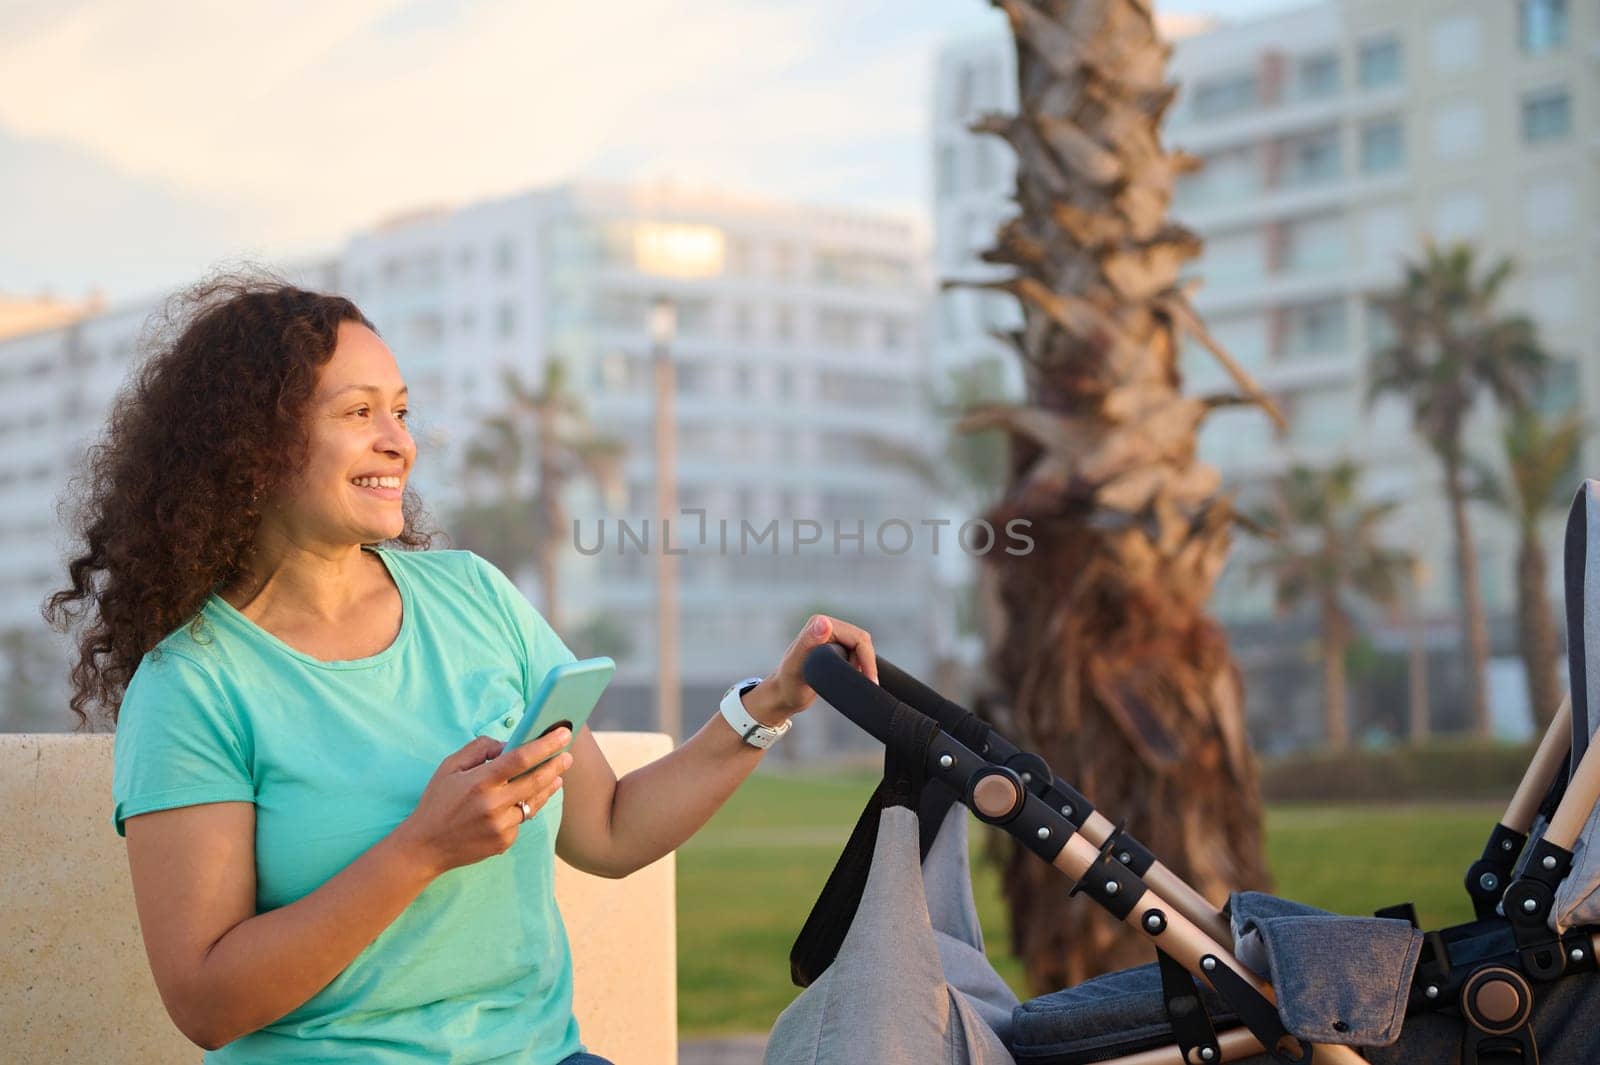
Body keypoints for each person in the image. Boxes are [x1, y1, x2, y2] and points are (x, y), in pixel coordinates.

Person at [45, 276, 880, 1064]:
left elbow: (614, 827)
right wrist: (421, 848)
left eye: (401, 411)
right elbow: (206, 1000)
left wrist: (770, 704)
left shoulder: (473, 595)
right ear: (252, 446)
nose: (397, 442)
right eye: (358, 411)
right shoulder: (193, 684)